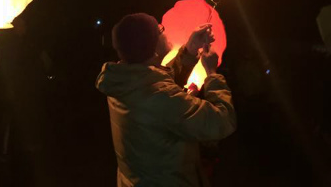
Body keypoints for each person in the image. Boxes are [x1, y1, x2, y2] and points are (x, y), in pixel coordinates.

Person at [96, 13, 236, 186]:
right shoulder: (161, 98)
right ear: (153, 47)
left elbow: (157, 82)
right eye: (160, 29)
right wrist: (212, 73)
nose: (164, 30)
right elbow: (222, 120)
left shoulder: (124, 81)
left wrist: (190, 50)